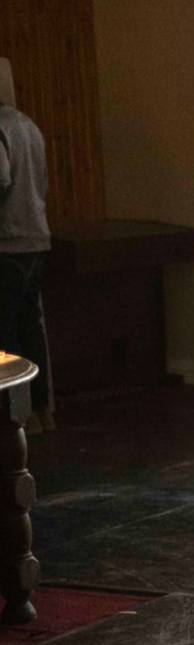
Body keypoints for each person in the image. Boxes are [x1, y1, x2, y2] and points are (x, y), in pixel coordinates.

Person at [0, 102, 54, 433]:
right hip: (37, 239)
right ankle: (43, 411)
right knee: (31, 329)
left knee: (5, 336)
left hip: (8, 244)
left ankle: (16, 417)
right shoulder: (28, 124)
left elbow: (0, 179)